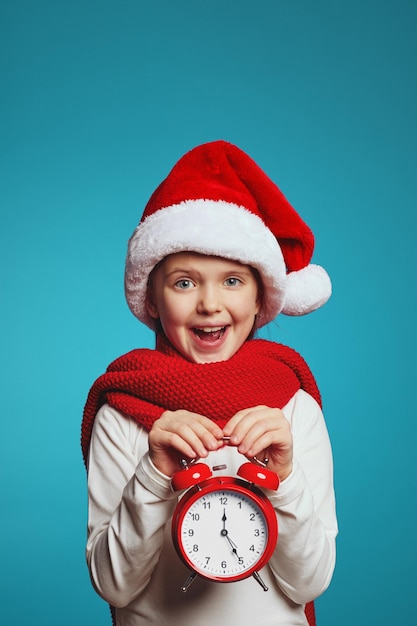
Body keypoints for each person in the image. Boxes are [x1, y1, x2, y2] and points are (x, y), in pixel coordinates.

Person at [81, 140, 337, 626]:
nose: (209, 304)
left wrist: (283, 480)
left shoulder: (292, 405)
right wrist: (155, 474)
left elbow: (311, 581)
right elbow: (111, 583)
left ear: (263, 295)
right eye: (184, 282)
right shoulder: (122, 410)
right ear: (151, 298)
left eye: (233, 281)